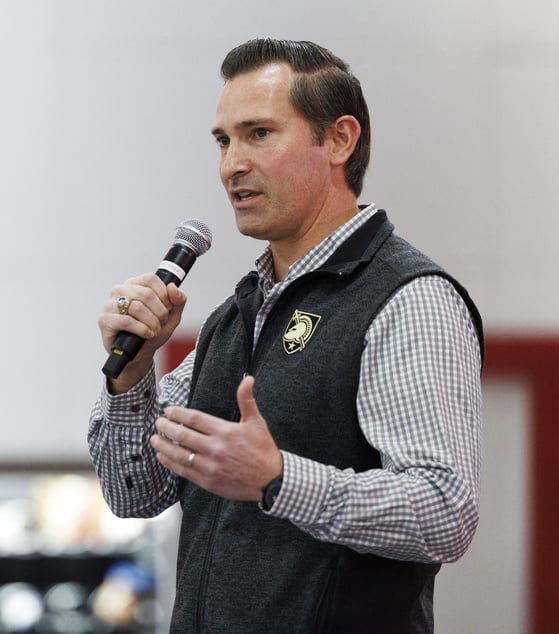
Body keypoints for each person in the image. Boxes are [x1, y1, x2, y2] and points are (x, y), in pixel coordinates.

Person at [88, 38, 484, 633]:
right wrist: (130, 375)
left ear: (340, 141)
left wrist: (279, 480)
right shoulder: (236, 315)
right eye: (223, 141)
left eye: (259, 134)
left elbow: (445, 512)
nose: (231, 164)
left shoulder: (408, 297)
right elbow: (135, 491)